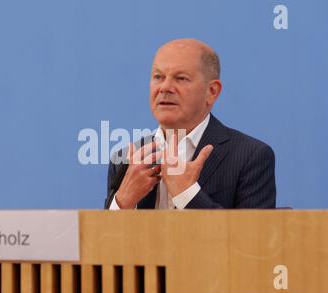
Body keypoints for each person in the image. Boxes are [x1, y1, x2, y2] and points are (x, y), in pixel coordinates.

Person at [105, 38, 276, 210]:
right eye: (158, 77)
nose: (165, 87)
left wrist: (187, 195)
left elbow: (253, 236)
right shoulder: (126, 159)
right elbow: (103, 236)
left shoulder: (250, 157)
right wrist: (123, 201)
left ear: (212, 91)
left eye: (181, 78)